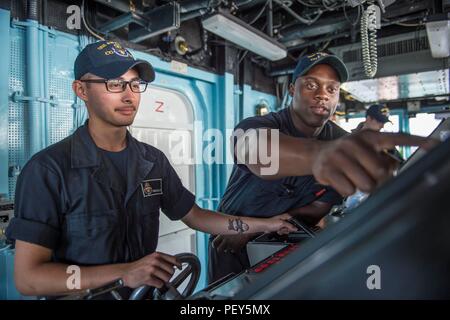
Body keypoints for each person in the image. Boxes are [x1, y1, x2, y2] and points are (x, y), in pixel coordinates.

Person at [5, 41, 297, 299]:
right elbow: (30, 279)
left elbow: (195, 217)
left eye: (134, 84)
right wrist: (124, 272)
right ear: (81, 90)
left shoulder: (152, 160)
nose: (129, 95)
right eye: (114, 84)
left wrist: (266, 225)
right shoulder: (47, 170)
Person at [208, 52, 432, 283]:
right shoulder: (259, 125)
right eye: (311, 85)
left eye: (331, 89)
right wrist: (322, 154)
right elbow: (253, 148)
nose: (322, 95)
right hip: (230, 240)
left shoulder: (341, 141)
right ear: (292, 89)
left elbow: (318, 206)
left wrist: (257, 229)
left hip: (284, 242)